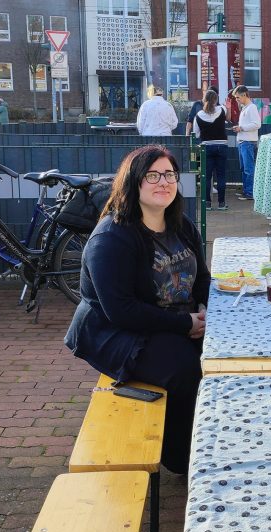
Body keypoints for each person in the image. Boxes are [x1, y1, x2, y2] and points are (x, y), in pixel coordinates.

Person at [64, 145, 209, 474]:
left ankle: (210, 437)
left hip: (171, 318)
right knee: (186, 368)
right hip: (115, 332)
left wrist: (210, 311)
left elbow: (201, 278)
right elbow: (122, 310)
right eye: (153, 175)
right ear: (133, 182)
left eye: (170, 174)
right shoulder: (112, 239)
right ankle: (180, 457)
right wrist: (184, 323)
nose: (164, 182)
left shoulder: (180, 224)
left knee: (220, 355)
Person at [193, 89, 228, 210]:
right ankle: (222, 203)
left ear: (204, 100)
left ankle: (207, 203)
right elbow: (228, 117)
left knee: (206, 176)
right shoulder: (222, 109)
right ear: (216, 100)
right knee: (221, 176)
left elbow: (196, 134)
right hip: (222, 146)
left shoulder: (198, 115)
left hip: (206, 147)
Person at [232, 85, 261, 201]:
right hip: (244, 142)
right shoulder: (246, 108)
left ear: (244, 95)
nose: (236, 100)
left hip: (248, 142)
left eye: (238, 97)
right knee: (245, 168)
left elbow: (257, 124)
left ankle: (249, 192)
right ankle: (246, 191)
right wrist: (241, 128)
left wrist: (241, 128)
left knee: (248, 169)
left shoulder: (251, 108)